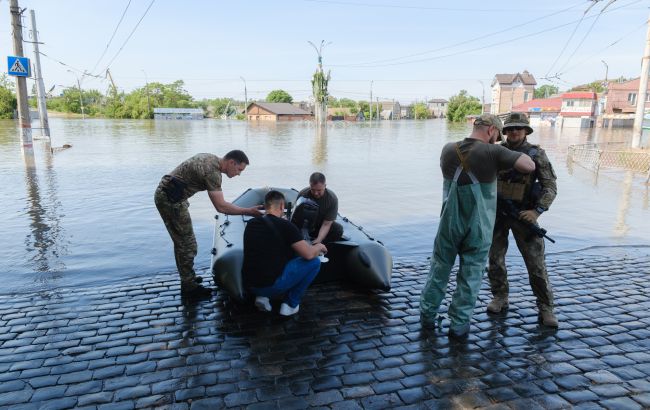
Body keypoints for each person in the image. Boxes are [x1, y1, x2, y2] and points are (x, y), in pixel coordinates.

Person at [419, 114, 536, 339]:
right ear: (491, 130)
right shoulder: (494, 152)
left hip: (449, 223)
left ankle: (427, 315)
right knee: (471, 273)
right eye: (497, 135)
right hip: (478, 224)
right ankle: (459, 325)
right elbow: (528, 166)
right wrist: (507, 152)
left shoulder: (447, 149)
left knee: (439, 269)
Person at [154, 150, 262, 298]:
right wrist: (248, 211)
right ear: (231, 162)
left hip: (170, 194)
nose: (239, 174)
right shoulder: (213, 173)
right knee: (187, 245)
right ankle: (189, 288)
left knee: (182, 243)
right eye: (239, 169)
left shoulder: (210, 158)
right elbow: (221, 207)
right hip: (170, 201)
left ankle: (188, 278)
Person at [486, 112, 559, 327]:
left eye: (518, 128)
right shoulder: (495, 152)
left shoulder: (536, 154)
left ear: (526, 130)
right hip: (497, 214)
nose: (514, 131)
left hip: (524, 214)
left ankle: (545, 307)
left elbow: (550, 187)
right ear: (504, 131)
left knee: (536, 265)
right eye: (509, 129)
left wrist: (537, 211)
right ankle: (500, 297)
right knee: (495, 260)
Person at [242, 190, 328, 316]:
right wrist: (319, 246)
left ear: (265, 206)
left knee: (269, 256)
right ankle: (290, 305)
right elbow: (308, 254)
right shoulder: (286, 226)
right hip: (270, 286)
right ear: (282, 206)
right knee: (314, 262)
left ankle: (262, 297)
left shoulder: (251, 224)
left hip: (250, 284)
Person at [296, 172, 343, 244]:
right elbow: (296, 218)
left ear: (325, 186)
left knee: (338, 229)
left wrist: (319, 239)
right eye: (313, 190)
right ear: (310, 185)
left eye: (319, 190)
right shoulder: (303, 194)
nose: (315, 193)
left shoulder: (332, 198)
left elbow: (326, 224)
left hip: (320, 225)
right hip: (304, 224)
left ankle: (321, 246)